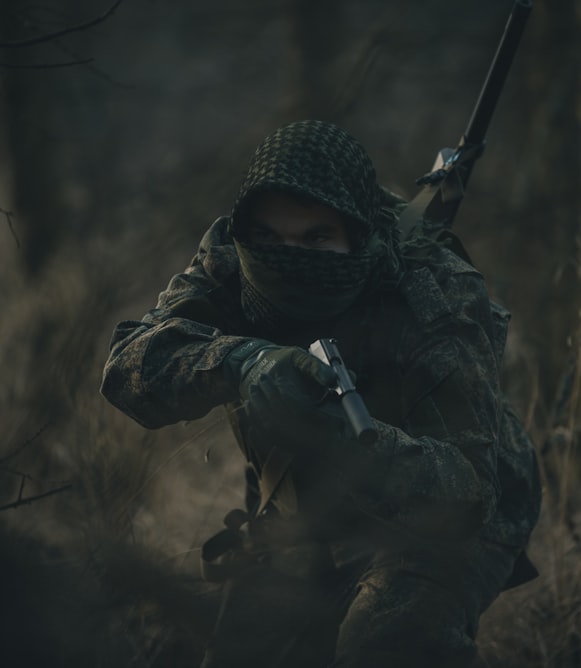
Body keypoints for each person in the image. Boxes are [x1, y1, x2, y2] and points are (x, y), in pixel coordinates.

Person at [100, 120, 541, 668]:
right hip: (304, 515)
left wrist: (348, 440)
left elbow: (467, 490)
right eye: (271, 238)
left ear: (355, 235)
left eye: (316, 238)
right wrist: (241, 362)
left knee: (383, 645)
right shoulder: (230, 259)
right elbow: (127, 367)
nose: (291, 256)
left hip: (440, 513)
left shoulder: (433, 288)